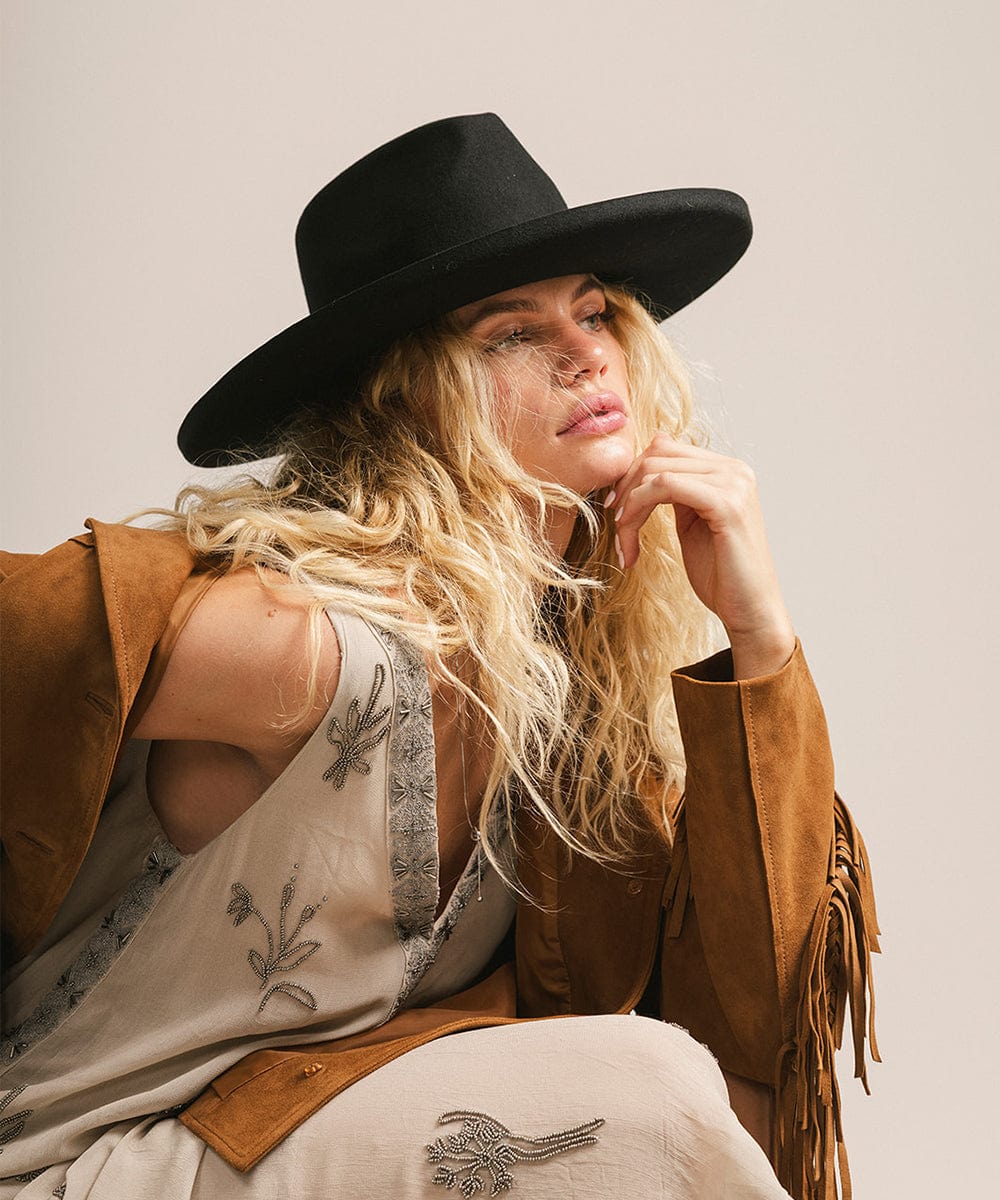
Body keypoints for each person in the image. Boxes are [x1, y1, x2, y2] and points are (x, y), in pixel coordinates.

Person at [0, 114, 878, 1199]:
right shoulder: (312, 646)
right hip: (81, 1165)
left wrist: (758, 638)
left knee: (707, 1099)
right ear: (403, 401)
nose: (583, 350)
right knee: (644, 1096)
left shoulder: (562, 694)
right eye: (509, 332)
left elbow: (758, 1021)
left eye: (593, 309)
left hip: (284, 1139)